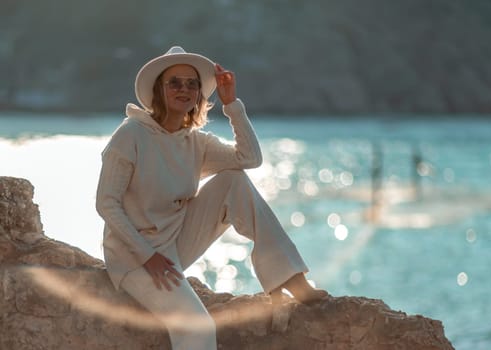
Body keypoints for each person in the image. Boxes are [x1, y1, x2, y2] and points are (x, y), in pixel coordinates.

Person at [96, 46, 327, 349]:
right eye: (174, 82)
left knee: (234, 180)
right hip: (134, 256)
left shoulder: (196, 142)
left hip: (176, 242)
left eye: (192, 84)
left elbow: (250, 158)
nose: (184, 89)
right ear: (158, 90)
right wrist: (146, 256)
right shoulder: (130, 135)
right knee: (197, 327)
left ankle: (288, 276)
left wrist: (232, 104)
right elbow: (106, 203)